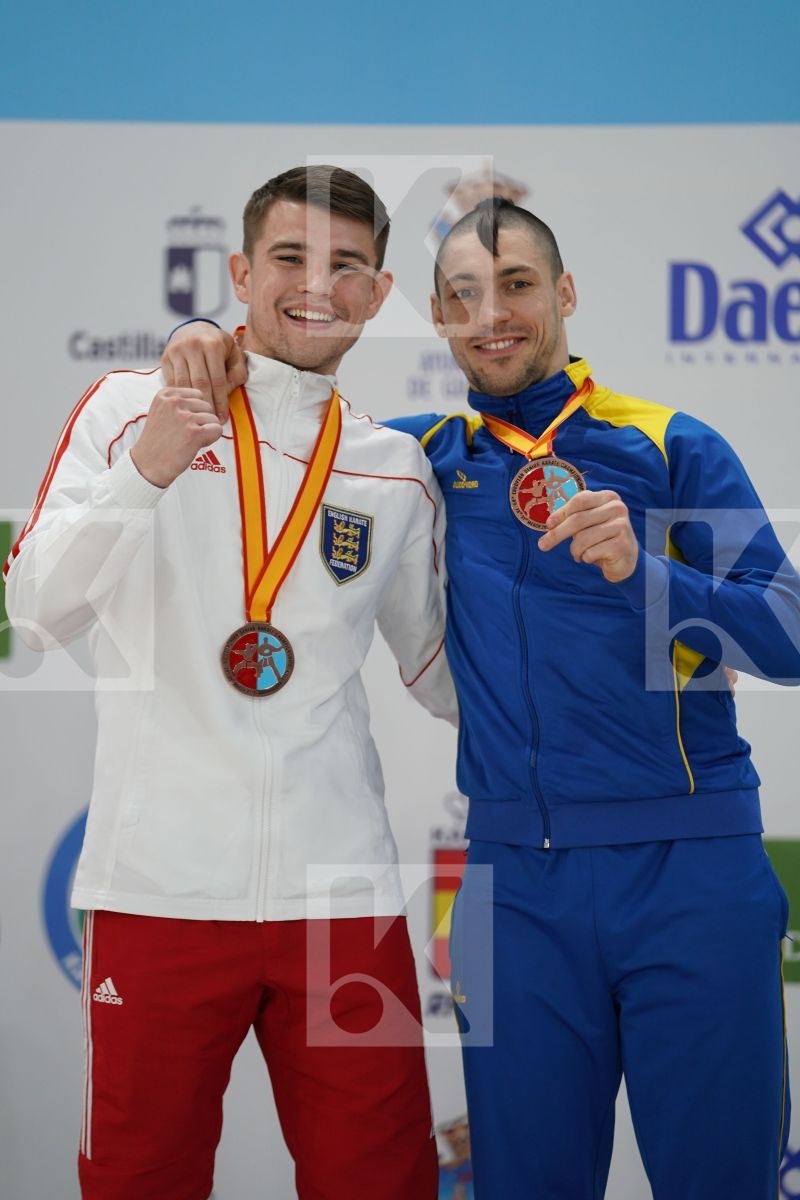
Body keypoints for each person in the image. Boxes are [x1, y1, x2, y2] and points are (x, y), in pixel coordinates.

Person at [166, 194, 800, 1199]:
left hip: (691, 870)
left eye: (514, 286)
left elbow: (787, 633)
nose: (490, 314)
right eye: (462, 295)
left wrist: (649, 577)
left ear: (565, 293)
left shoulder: (669, 445)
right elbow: (278, 421)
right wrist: (206, 338)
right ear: (436, 314)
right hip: (515, 891)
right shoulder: (416, 458)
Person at [3, 165, 459, 1200]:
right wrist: (148, 469)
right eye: (290, 258)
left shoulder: (392, 468)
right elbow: (32, 612)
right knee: (139, 1184)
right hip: (159, 892)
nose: (318, 286)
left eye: (347, 266)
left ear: (379, 292)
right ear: (241, 273)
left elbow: (442, 673)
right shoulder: (131, 409)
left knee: (382, 1185)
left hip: (341, 900)